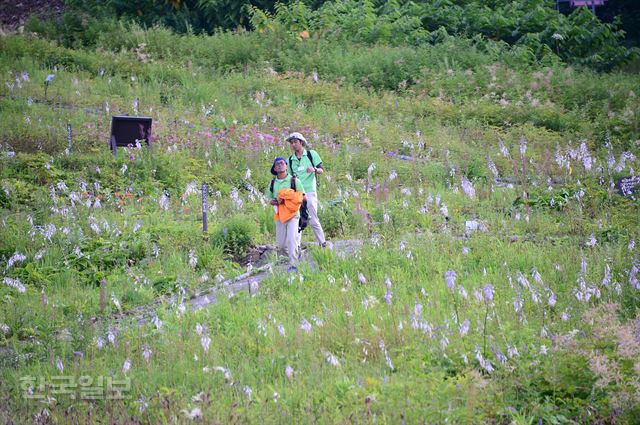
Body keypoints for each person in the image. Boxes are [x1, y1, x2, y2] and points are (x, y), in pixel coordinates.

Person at [286, 132, 327, 248]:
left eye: (295, 142)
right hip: (297, 193)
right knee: (298, 219)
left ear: (301, 142)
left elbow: (321, 170)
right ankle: (297, 247)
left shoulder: (311, 154)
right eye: (291, 143)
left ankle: (322, 243)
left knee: (313, 218)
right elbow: (288, 177)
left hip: (310, 191)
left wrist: (314, 169)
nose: (293, 145)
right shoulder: (290, 160)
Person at [268, 157, 305, 272]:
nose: (279, 165)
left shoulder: (294, 181)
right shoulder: (273, 183)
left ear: (286, 166)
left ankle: (293, 265)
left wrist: (289, 200)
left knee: (291, 239)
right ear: (274, 168)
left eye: (282, 163)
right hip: (279, 216)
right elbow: (269, 198)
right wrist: (275, 201)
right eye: (277, 164)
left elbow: (302, 196)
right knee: (281, 245)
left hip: (293, 215)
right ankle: (296, 251)